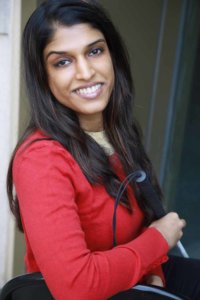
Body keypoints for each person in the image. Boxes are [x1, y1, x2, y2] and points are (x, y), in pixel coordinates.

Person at [6, 0, 199, 299]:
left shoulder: (118, 131)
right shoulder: (41, 160)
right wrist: (160, 238)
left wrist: (154, 275)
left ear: (113, 55)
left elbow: (141, 226)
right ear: (44, 77)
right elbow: (76, 287)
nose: (86, 72)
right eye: (63, 61)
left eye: (95, 51)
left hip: (133, 278)